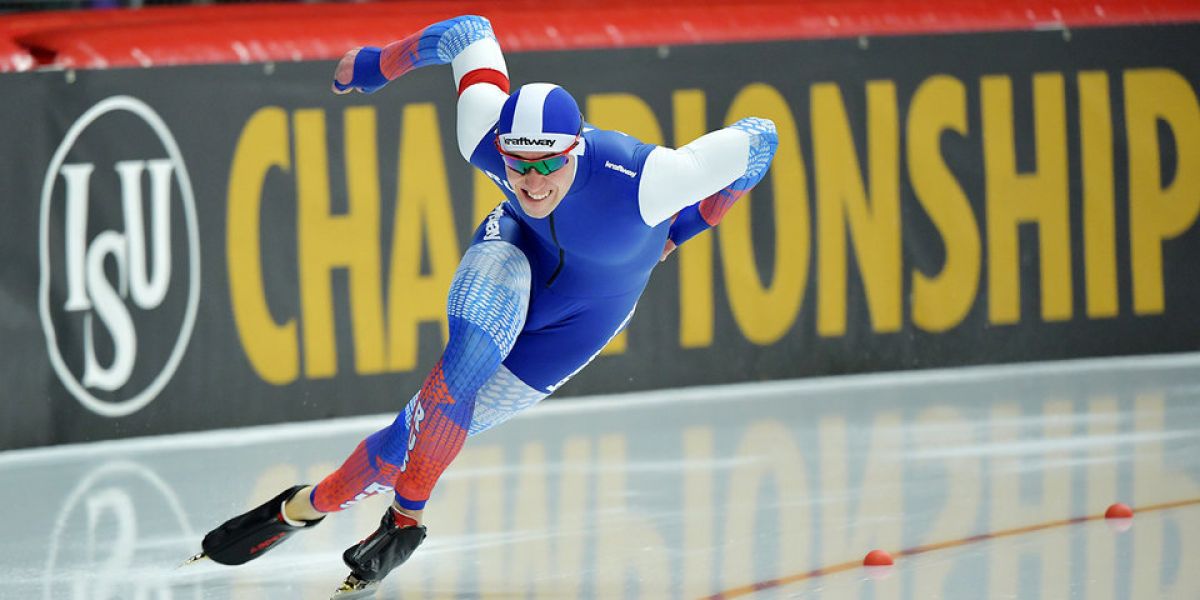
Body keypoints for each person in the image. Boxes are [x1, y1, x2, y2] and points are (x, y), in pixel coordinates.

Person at [194, 14, 777, 597]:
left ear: (576, 148)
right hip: (515, 252)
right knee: (463, 366)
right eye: (518, 162)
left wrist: (686, 228)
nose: (533, 182)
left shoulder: (653, 179)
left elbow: (761, 138)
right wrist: (377, 64)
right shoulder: (482, 134)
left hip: (583, 318)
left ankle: (302, 507)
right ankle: (405, 520)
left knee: (404, 443)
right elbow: (467, 32)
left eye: (549, 163)